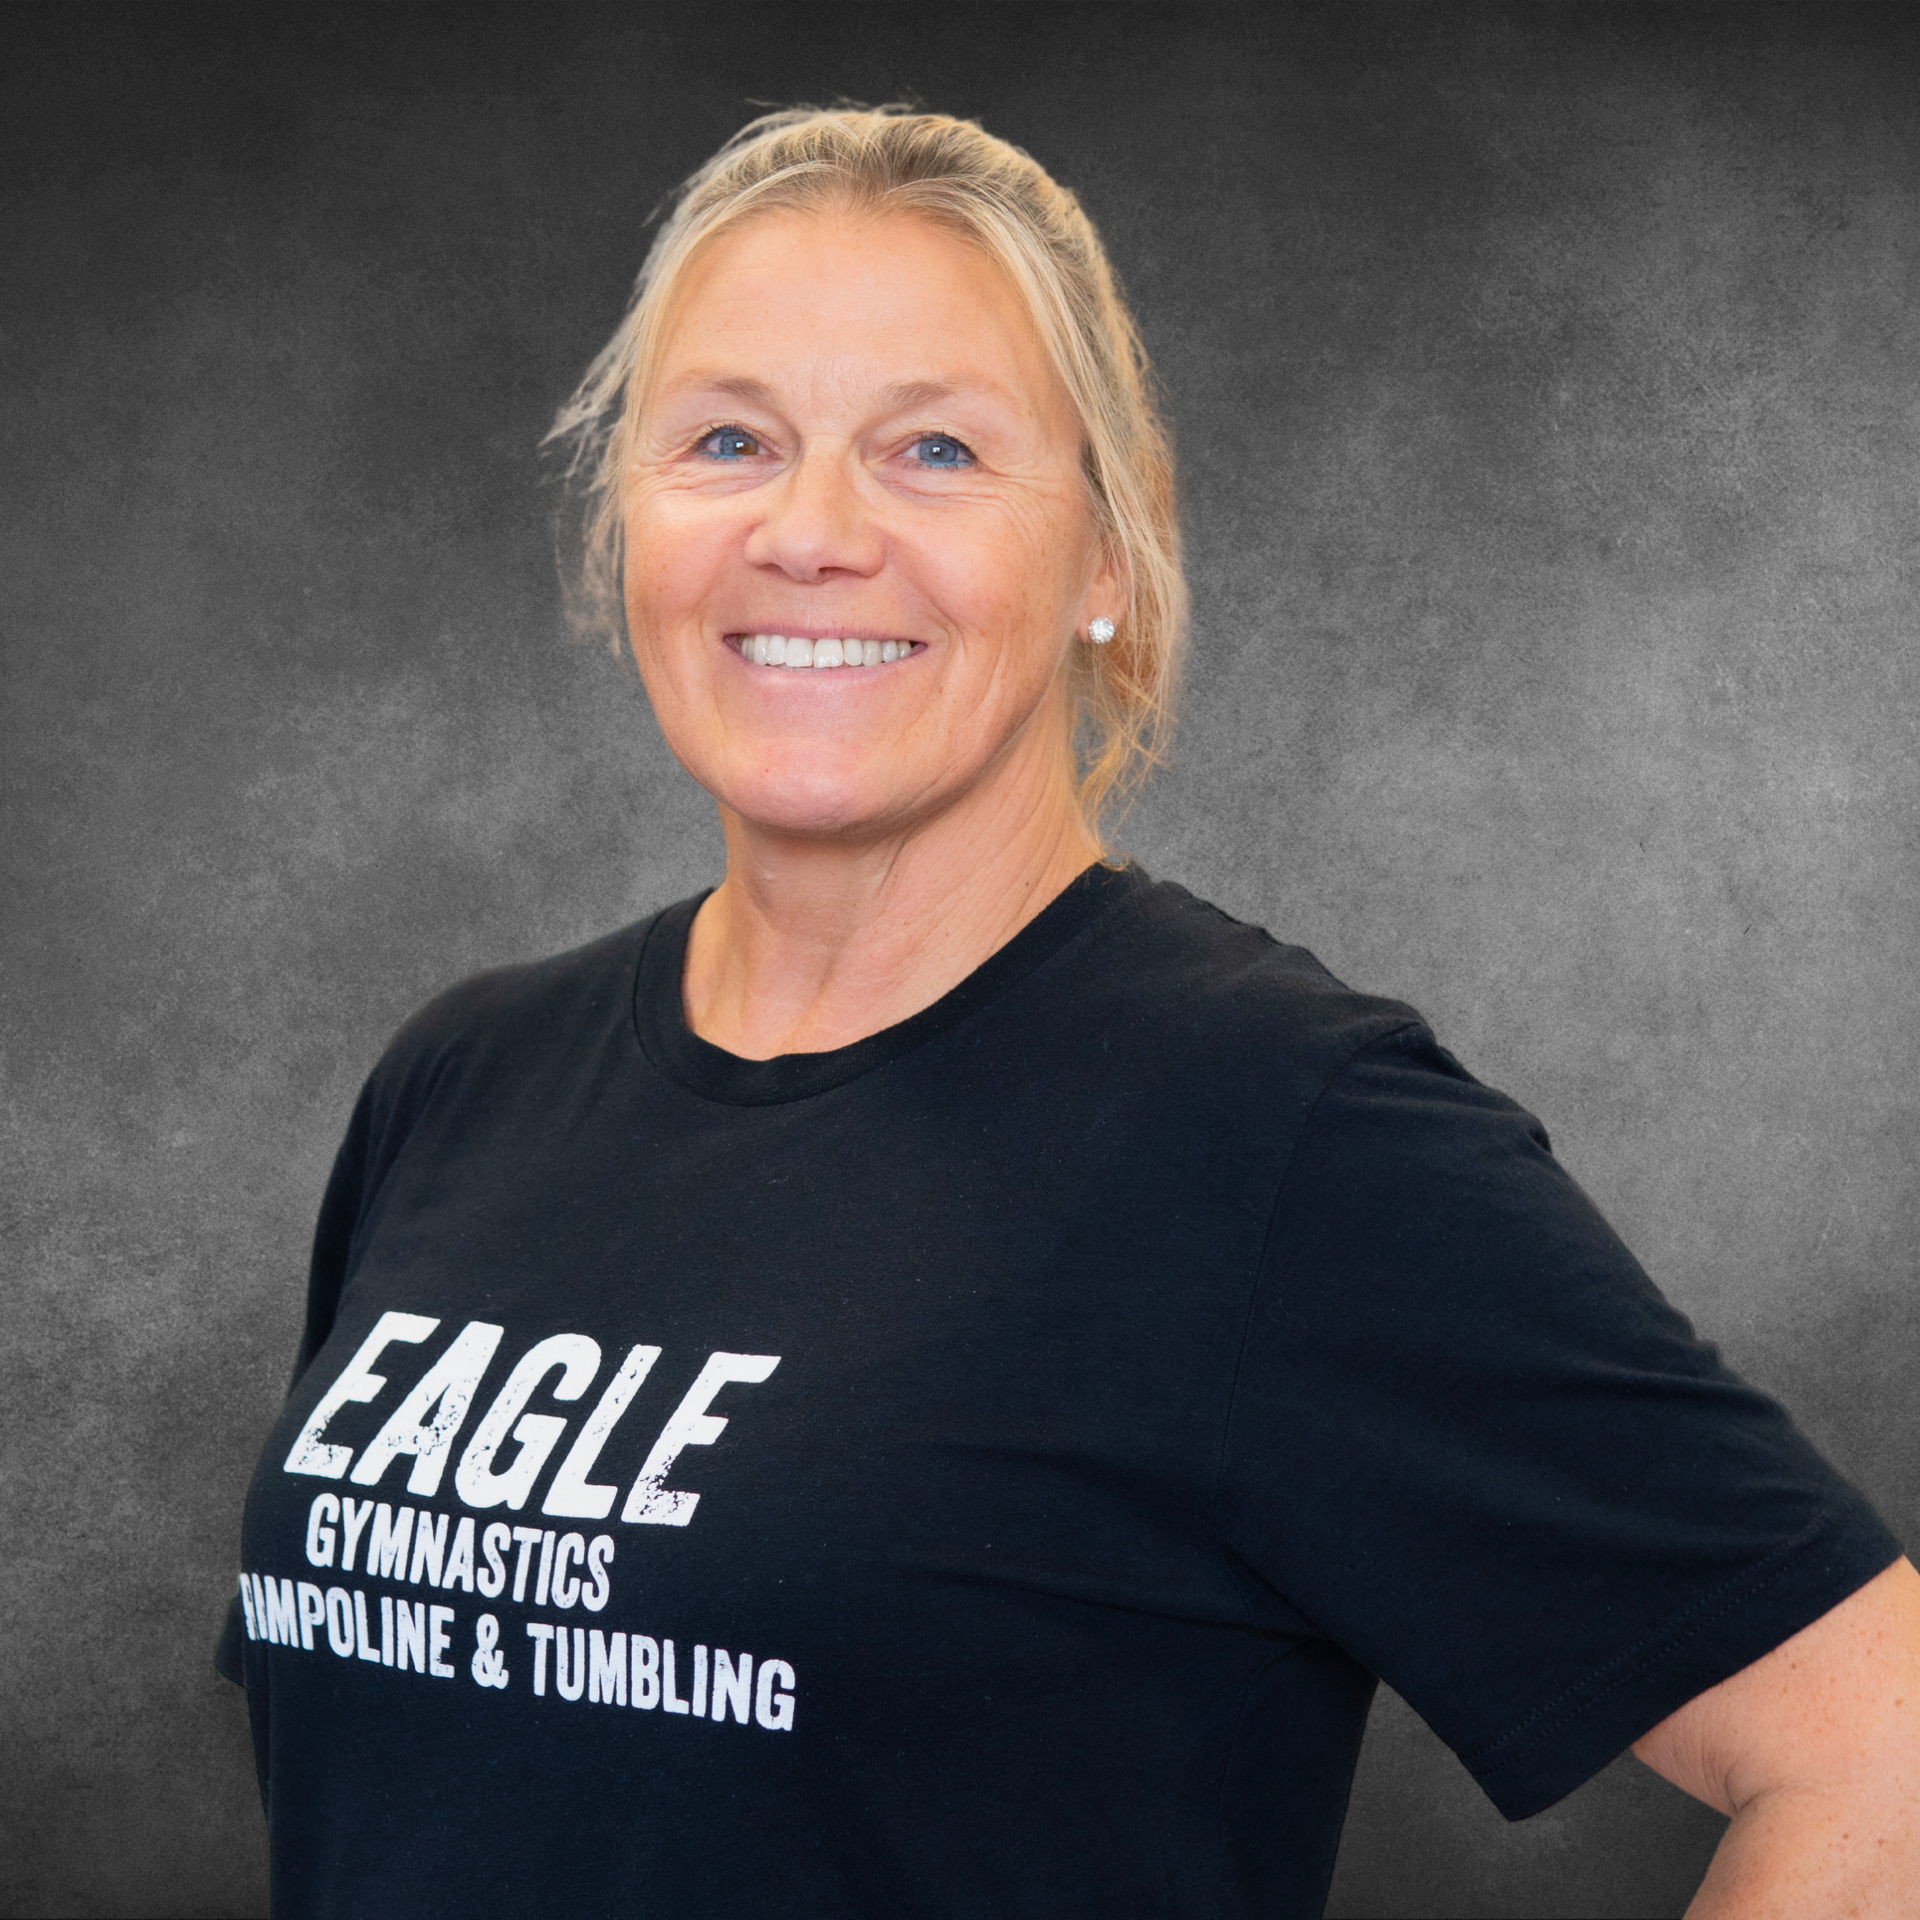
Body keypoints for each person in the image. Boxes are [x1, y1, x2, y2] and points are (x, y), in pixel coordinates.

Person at [218, 107, 1919, 1918]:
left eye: (933, 450)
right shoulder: (466, 1078)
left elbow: (1874, 1747)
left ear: (1107, 559)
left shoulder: (1276, 1127)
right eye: (728, 440)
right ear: (627, 524)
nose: (810, 531)